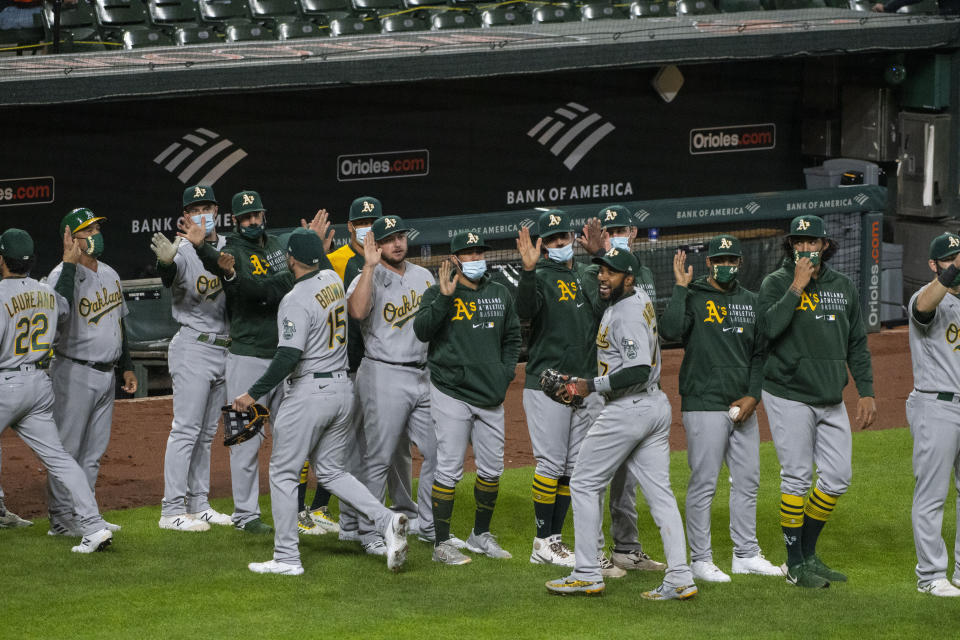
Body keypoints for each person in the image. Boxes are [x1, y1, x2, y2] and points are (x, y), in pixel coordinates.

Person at [233, 229, 408, 575]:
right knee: (330, 471)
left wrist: (252, 394)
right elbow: (320, 264)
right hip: (343, 390)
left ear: (291, 259)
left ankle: (286, 557)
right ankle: (385, 519)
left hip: (310, 393)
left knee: (283, 473)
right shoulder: (330, 277)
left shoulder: (294, 300)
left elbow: (286, 358)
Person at [545, 248, 696, 599]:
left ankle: (586, 573)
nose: (601, 276)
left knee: (582, 482)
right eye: (601, 270)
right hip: (654, 406)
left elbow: (639, 367)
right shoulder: (639, 294)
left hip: (629, 408)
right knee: (660, 494)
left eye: (610, 273)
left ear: (628, 278)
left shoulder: (626, 313)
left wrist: (588, 385)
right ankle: (680, 577)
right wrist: (600, 251)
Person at [182, 190, 332, 535]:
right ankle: (246, 515)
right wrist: (218, 262)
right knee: (244, 439)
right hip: (245, 358)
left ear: (264, 214)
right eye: (246, 217)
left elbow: (278, 285)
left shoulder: (279, 244)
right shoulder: (231, 252)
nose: (252, 221)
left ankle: (293, 511)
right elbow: (252, 292)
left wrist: (316, 251)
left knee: (291, 437)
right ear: (235, 221)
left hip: (284, 357)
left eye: (256, 215)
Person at [757, 214, 876, 589]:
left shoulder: (844, 286)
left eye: (812, 242)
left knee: (838, 477)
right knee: (796, 478)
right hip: (788, 393)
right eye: (798, 242)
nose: (805, 248)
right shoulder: (775, 283)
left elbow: (856, 341)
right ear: (791, 245)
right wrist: (796, 288)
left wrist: (867, 390)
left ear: (825, 245)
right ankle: (794, 565)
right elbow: (767, 332)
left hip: (830, 396)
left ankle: (807, 553)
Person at [659, 235, 782, 582]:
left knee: (748, 481)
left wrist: (753, 395)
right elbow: (668, 331)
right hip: (704, 402)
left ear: (740, 263)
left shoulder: (752, 301)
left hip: (743, 405)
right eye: (719, 260)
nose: (724, 265)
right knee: (704, 483)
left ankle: (745, 554)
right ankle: (699, 559)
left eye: (731, 259)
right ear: (709, 263)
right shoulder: (695, 295)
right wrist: (681, 289)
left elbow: (760, 355)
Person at [0, 228, 113, 552]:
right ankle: (93, 526)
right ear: (32, 261)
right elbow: (63, 311)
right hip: (39, 384)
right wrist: (66, 263)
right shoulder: (46, 292)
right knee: (61, 459)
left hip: (6, 383)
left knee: (61, 457)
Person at [413, 231, 521, 565]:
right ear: (456, 259)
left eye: (479, 252)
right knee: (448, 468)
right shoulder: (436, 292)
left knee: (491, 470)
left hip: (490, 393)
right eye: (468, 253)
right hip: (451, 391)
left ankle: (479, 535)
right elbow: (421, 331)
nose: (475, 258)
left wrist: (504, 373)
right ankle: (442, 543)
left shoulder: (500, 292)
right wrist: (445, 298)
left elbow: (513, 336)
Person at [515, 210, 605, 570]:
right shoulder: (539, 277)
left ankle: (554, 540)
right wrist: (527, 271)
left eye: (563, 237)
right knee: (551, 463)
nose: (560, 244)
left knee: (572, 466)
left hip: (583, 382)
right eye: (551, 239)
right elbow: (525, 311)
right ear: (542, 244)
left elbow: (606, 306)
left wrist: (600, 257)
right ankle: (541, 541)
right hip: (547, 384)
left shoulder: (586, 274)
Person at [327, 196, 418, 543]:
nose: (369, 227)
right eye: (362, 222)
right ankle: (353, 523)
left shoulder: (393, 264)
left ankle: (401, 512)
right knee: (353, 449)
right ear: (350, 227)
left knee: (394, 447)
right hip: (346, 364)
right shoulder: (336, 261)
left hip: (380, 365)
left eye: (374, 222)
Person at [347, 214, 438, 552]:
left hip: (423, 373)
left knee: (438, 451)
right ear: (376, 245)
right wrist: (369, 268)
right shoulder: (364, 276)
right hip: (383, 374)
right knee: (378, 458)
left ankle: (425, 524)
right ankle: (369, 533)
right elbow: (357, 312)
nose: (398, 243)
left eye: (401, 236)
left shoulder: (423, 275)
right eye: (389, 239)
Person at [46, 208, 137, 537]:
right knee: (67, 451)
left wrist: (126, 366)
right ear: (71, 238)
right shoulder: (60, 275)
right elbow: (59, 313)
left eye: (98, 227)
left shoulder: (111, 273)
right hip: (73, 371)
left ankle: (87, 515)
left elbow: (119, 321)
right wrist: (70, 264)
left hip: (105, 373)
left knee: (93, 453)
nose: (96, 233)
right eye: (88, 229)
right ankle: (60, 520)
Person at [149, 184, 232, 532]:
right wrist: (164, 264)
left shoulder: (228, 248)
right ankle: (171, 510)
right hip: (193, 347)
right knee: (185, 429)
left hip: (225, 347)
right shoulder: (180, 250)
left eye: (207, 207)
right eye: (194, 209)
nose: (202, 214)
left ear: (217, 212)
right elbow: (168, 275)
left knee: (207, 432)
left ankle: (198, 503)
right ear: (185, 217)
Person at [592, 205, 667, 573]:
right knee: (627, 481)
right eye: (609, 231)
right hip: (624, 395)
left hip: (626, 395)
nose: (602, 276)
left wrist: (590, 385)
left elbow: (638, 359)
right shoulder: (620, 289)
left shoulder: (636, 291)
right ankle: (673, 569)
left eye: (620, 229)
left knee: (600, 480)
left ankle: (608, 555)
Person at [904, 232, 960, 597]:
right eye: (951, 259)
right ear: (934, 264)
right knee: (932, 495)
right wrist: (951, 273)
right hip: (935, 406)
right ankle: (930, 576)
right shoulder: (927, 298)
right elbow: (923, 308)